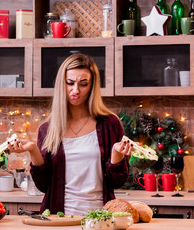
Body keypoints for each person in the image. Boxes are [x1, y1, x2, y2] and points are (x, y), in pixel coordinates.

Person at [8, 54, 132, 216]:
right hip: (59, 218)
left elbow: (117, 182)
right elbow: (43, 186)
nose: (76, 90)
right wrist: (32, 150)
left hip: (101, 218)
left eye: (84, 84)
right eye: (70, 83)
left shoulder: (110, 124)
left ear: (92, 86)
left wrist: (116, 154)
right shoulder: (47, 129)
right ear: (62, 84)